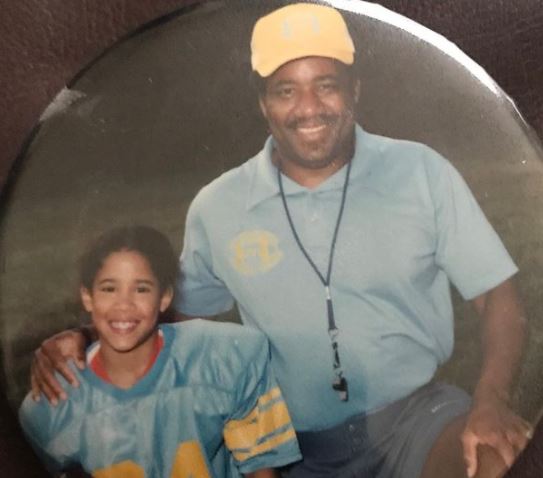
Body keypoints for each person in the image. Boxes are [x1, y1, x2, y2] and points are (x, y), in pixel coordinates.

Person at [31, 4, 532, 478]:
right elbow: (168, 312)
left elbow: (497, 298)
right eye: (285, 90)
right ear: (263, 103)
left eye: (326, 85)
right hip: (286, 439)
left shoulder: (420, 171)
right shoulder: (219, 204)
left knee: (490, 458)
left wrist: (491, 400)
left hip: (418, 417)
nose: (308, 107)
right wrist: (86, 337)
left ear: (354, 90)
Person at [20, 225, 300, 477]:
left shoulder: (222, 357)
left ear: (165, 296)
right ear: (87, 296)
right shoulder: (51, 405)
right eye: (109, 289)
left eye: (141, 289)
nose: (124, 305)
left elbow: (260, 469)